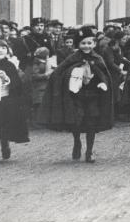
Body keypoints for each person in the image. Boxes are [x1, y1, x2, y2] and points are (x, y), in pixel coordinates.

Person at [37, 26, 113, 163]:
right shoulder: (73, 58)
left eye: (89, 43)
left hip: (93, 95)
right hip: (76, 96)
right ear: (78, 44)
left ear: (94, 44)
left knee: (91, 123)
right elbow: (59, 72)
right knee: (76, 122)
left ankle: (89, 151)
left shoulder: (98, 58)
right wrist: (73, 73)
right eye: (83, 43)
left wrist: (103, 83)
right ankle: (77, 141)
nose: (86, 46)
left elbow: (104, 74)